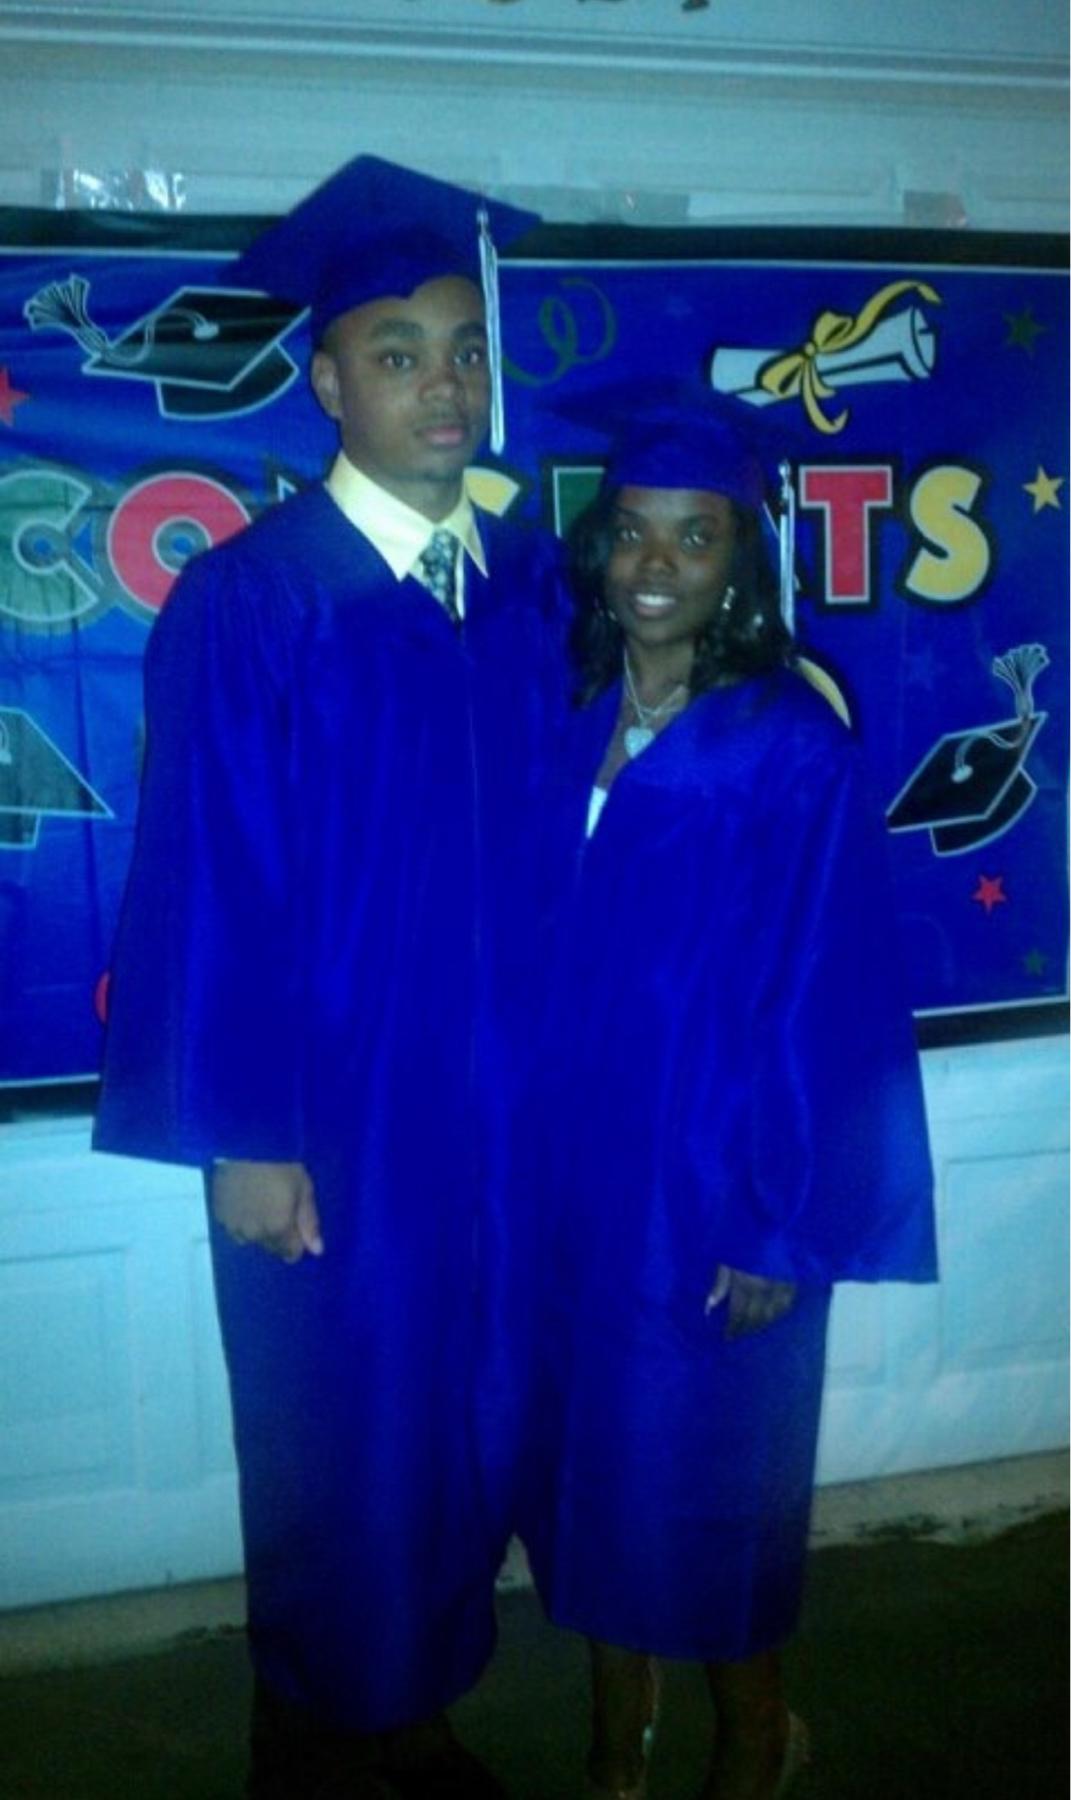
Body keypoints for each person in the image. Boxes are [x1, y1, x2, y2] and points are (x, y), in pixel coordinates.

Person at [93, 156, 566, 1800]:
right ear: (327, 381)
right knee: (343, 1438)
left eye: (464, 350)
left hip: (502, 1118)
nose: (444, 385)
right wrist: (245, 1131)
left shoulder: (524, 584)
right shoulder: (256, 598)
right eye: (397, 352)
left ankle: (416, 1723)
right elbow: (205, 877)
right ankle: (323, 1748)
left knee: (470, 1422)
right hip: (336, 1124)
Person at [519, 393, 938, 1800]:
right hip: (568, 1180)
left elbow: (832, 992)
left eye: (694, 538)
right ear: (598, 547)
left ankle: (756, 1735)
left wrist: (780, 1222)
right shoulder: (562, 713)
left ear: (740, 561)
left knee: (710, 1479)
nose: (657, 564)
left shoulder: (789, 743)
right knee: (584, 1462)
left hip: (716, 1182)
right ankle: (617, 1728)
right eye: (634, 532)